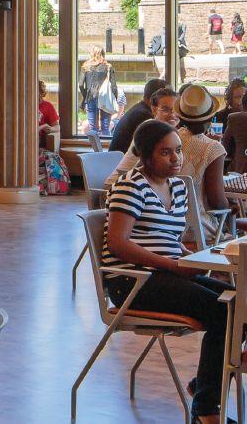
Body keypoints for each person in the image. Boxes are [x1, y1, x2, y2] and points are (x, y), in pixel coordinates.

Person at [103, 119, 229, 424]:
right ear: (145, 157)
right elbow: (118, 244)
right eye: (165, 153)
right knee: (223, 311)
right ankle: (206, 409)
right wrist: (173, 265)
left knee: (237, 301)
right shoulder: (131, 185)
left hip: (163, 274)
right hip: (131, 280)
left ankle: (204, 386)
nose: (176, 159)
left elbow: (168, 241)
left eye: (178, 151)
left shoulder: (177, 187)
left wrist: (190, 257)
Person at [175, 82, 230, 239]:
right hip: (199, 230)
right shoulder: (213, 148)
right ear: (211, 117)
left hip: (169, 226)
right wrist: (231, 206)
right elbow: (217, 201)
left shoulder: (168, 140)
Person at [104, 86, 178, 188]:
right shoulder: (150, 129)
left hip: (139, 186)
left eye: (176, 110)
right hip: (118, 188)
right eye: (166, 109)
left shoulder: (169, 131)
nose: (172, 114)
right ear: (154, 109)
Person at [109, 76, 166, 152]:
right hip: (121, 160)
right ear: (154, 99)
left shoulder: (140, 109)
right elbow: (151, 148)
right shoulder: (144, 116)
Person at [79, 48, 118, 137]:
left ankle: (94, 149)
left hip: (91, 97)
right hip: (105, 98)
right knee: (105, 127)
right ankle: (106, 148)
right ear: (103, 54)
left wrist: (85, 96)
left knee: (93, 128)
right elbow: (114, 86)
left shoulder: (86, 67)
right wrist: (114, 99)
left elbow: (81, 85)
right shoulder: (108, 67)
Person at [38, 80, 60, 147]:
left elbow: (57, 127)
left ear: (41, 92)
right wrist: (43, 126)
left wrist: (50, 129)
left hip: (36, 141)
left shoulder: (47, 106)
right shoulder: (22, 106)